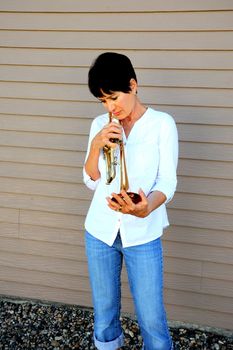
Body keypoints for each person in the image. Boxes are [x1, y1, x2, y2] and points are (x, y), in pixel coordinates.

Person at [83, 52, 178, 350]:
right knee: (104, 314)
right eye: (103, 101)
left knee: (151, 318)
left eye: (113, 97)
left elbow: (167, 181)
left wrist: (146, 206)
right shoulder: (101, 123)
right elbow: (90, 179)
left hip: (144, 233)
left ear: (133, 85)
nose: (111, 107)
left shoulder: (162, 124)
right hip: (100, 232)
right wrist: (97, 143)